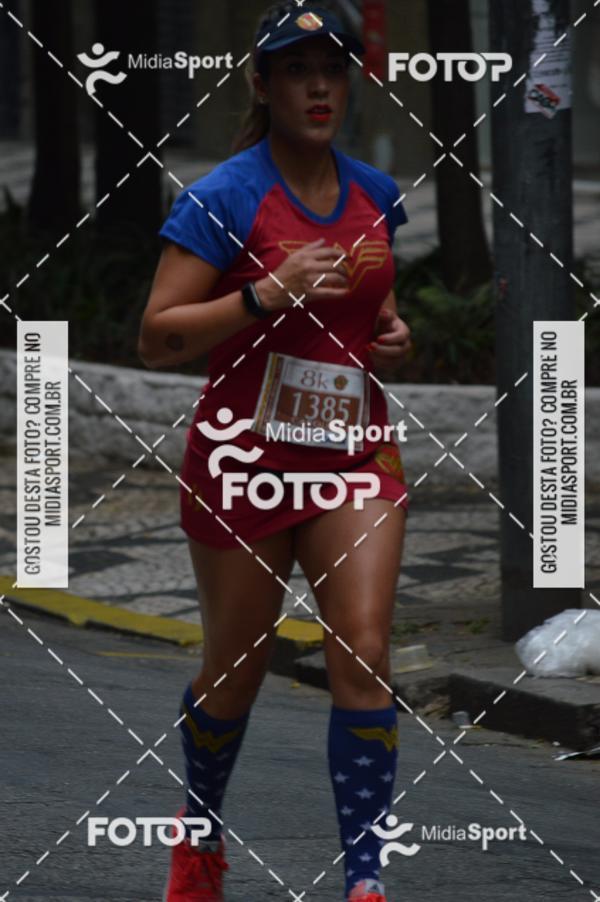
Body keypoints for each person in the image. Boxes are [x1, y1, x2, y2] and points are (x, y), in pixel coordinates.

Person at [138, 3, 412, 900]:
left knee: (364, 650)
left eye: (333, 67)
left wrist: (390, 336)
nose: (319, 85)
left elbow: (370, 314)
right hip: (243, 457)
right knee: (236, 670)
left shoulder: (378, 193)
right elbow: (157, 339)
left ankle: (366, 881)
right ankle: (199, 834)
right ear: (262, 85)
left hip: (351, 451)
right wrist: (262, 297)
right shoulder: (223, 197)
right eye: (297, 69)